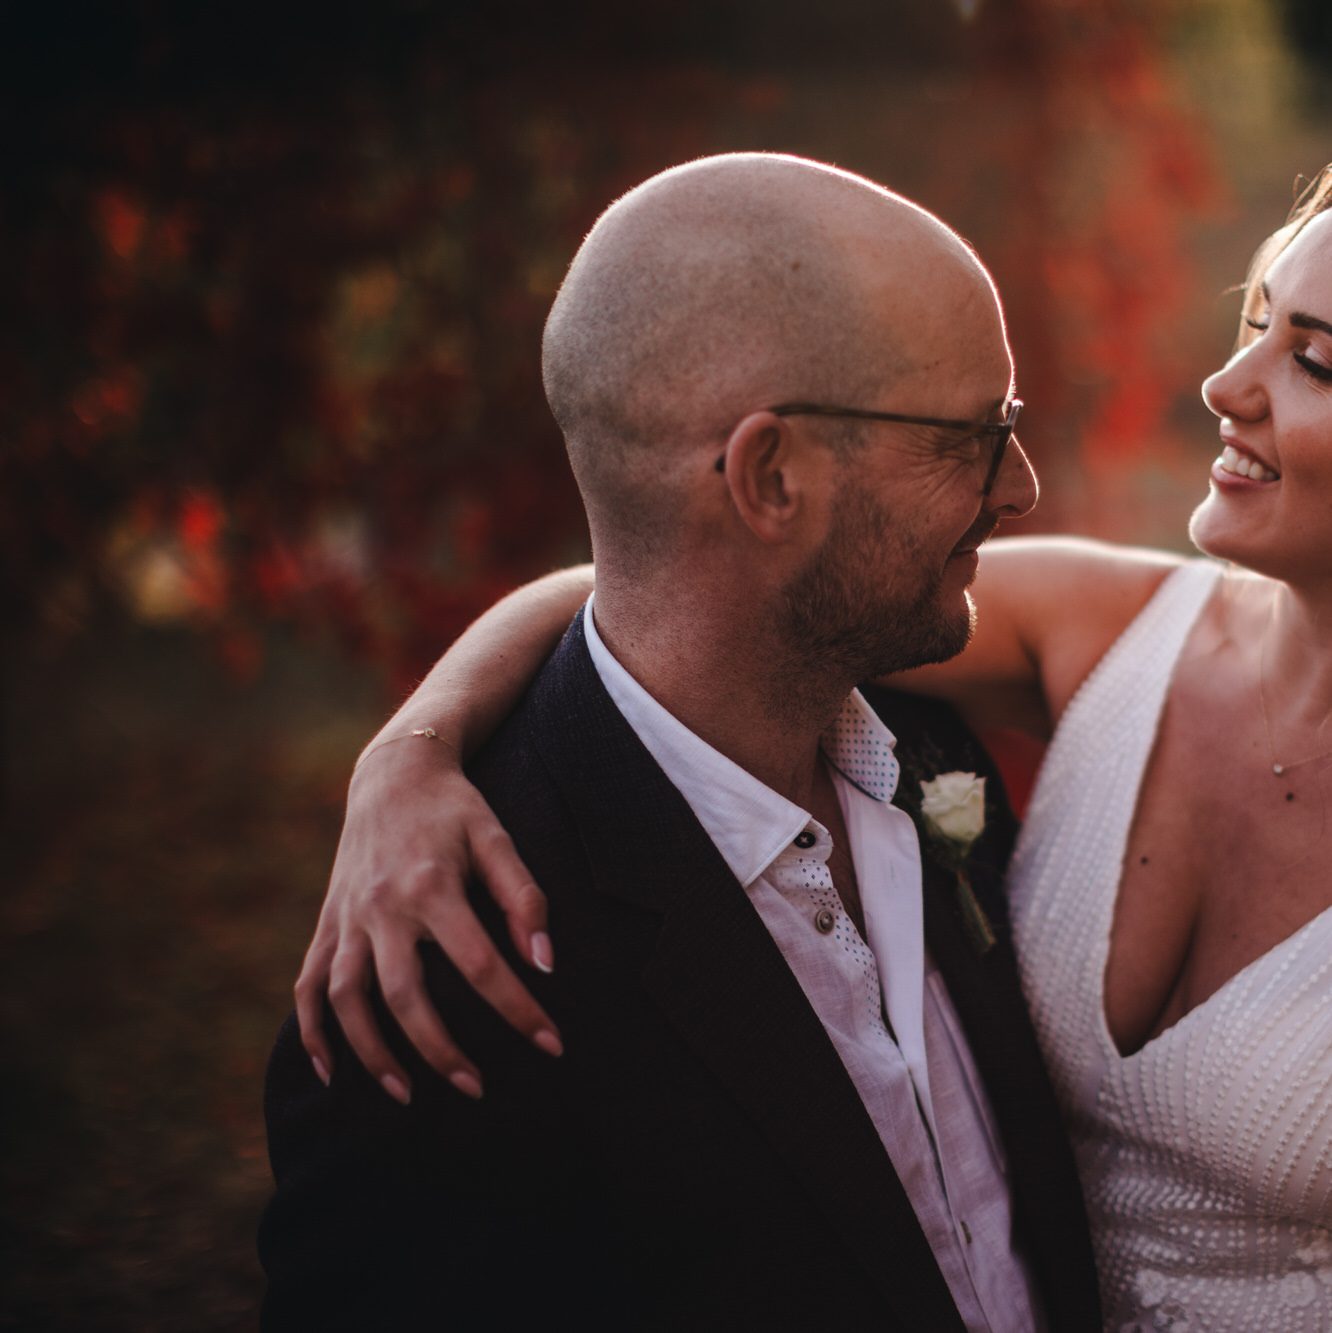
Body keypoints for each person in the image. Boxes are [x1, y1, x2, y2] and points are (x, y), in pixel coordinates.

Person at [294, 142, 1332, 1331]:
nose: (1230, 385)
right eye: (1256, 321)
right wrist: (412, 748)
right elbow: (686, 569)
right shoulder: (1103, 633)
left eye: (1317, 360)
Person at [258, 153, 1103, 1331]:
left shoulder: (934, 747)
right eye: (970, 435)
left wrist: (409, 737)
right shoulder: (441, 999)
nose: (1019, 486)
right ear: (769, 476)